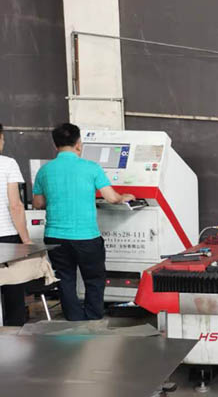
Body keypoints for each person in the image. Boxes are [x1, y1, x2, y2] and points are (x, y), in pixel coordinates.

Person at [33, 123, 135, 321]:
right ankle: (93, 316)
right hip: (86, 236)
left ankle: (73, 317)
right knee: (94, 278)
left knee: (65, 278)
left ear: (55, 145)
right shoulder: (91, 168)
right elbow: (112, 198)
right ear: (79, 143)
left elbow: (38, 203)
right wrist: (125, 197)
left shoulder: (44, 171)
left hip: (55, 237)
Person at [0, 123, 34, 325]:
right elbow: (15, 205)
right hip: (7, 237)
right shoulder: (7, 164)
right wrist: (26, 239)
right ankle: (13, 333)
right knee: (12, 288)